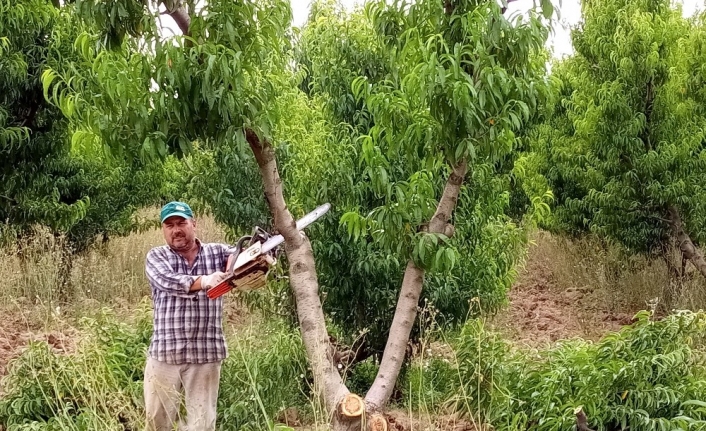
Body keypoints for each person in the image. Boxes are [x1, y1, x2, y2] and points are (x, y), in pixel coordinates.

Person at [143, 201, 231, 431]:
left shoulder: (218, 252)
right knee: (157, 421)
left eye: (181, 222)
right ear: (163, 229)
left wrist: (256, 254)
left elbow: (241, 259)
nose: (176, 229)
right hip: (166, 353)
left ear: (194, 224)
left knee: (203, 424)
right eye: (169, 225)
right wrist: (204, 280)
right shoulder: (157, 256)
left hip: (205, 353)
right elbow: (168, 282)